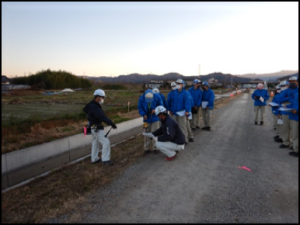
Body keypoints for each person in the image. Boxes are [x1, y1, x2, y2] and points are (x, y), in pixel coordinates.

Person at [83, 89, 117, 165]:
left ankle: (94, 159)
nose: (103, 99)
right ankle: (105, 160)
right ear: (98, 97)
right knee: (106, 142)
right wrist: (111, 123)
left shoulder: (91, 105)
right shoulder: (95, 107)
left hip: (91, 127)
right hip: (96, 129)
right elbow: (102, 117)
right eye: (102, 97)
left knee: (95, 143)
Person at [138, 89, 162, 154]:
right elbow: (140, 108)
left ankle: (155, 148)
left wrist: (156, 110)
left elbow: (161, 106)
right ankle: (147, 148)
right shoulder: (141, 98)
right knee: (146, 133)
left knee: (155, 133)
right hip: (146, 120)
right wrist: (143, 114)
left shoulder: (157, 97)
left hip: (155, 118)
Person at [277, 76, 299, 148]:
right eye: (290, 82)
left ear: (297, 83)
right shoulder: (286, 90)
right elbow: (279, 99)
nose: (292, 83)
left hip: (294, 113)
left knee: (294, 130)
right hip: (285, 112)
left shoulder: (297, 91)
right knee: (285, 128)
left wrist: (286, 99)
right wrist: (290, 98)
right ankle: (286, 142)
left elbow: (295, 101)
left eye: (294, 82)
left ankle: (294, 145)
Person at [168, 79, 191, 144]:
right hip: (174, 112)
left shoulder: (185, 93)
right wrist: (170, 109)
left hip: (182, 113)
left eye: (179, 84)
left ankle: (184, 140)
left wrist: (187, 110)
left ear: (183, 85)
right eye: (177, 83)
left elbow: (187, 102)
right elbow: (171, 102)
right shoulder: (174, 93)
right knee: (175, 127)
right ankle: (176, 139)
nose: (178, 85)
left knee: (182, 127)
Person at [285, 91, 298, 157]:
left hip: (296, 117)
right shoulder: (296, 94)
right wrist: (288, 106)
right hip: (294, 117)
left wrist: (297, 110)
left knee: (295, 135)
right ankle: (296, 149)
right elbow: (294, 103)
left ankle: (296, 150)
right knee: (294, 134)